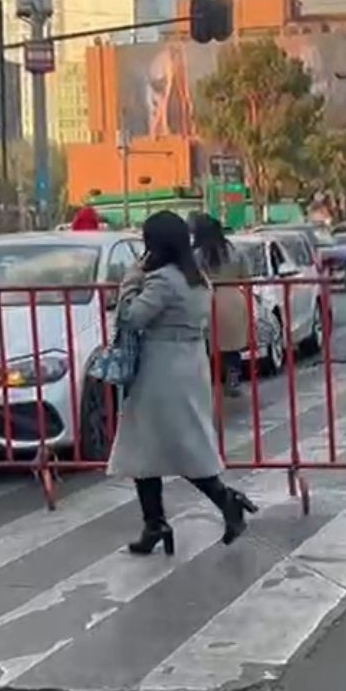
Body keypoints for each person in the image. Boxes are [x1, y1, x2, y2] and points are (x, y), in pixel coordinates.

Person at [108, 211, 258, 555]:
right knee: (155, 447)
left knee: (166, 446)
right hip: (188, 362)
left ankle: (222, 502)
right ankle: (155, 523)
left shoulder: (163, 280)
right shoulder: (195, 277)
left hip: (161, 368)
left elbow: (132, 317)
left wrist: (130, 280)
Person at [189, 212, 250, 399]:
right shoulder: (234, 250)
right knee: (232, 347)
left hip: (207, 299)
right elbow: (246, 275)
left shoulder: (197, 254)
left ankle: (205, 382)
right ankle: (233, 380)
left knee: (205, 346)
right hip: (233, 299)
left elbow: (192, 278)